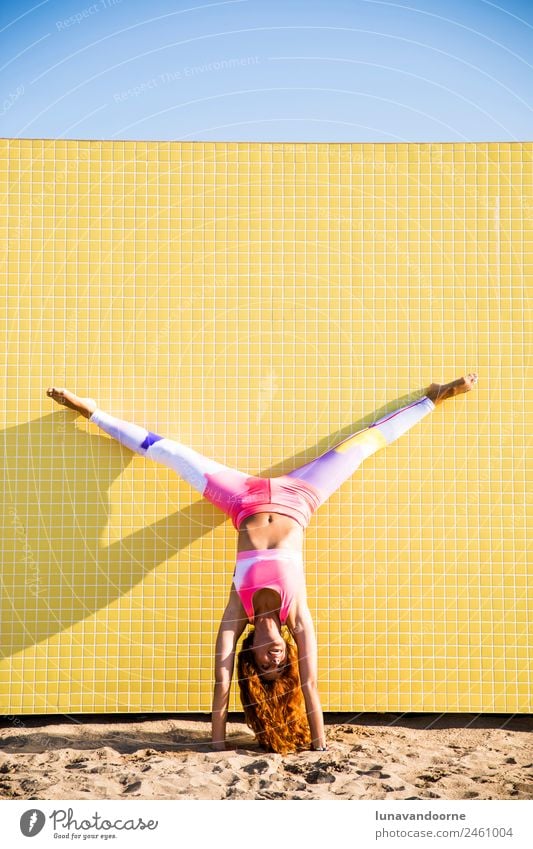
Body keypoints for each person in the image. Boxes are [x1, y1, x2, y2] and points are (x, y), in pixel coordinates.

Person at [46, 373, 478, 753]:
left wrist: (217, 743)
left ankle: (93, 414)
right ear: (287, 656)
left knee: (172, 453)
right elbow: (309, 687)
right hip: (302, 497)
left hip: (240, 498)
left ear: (250, 656)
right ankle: (431, 398)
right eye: (281, 665)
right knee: (361, 446)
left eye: (263, 667)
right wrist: (319, 742)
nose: (274, 661)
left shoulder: (239, 610)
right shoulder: (299, 616)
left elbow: (220, 683)